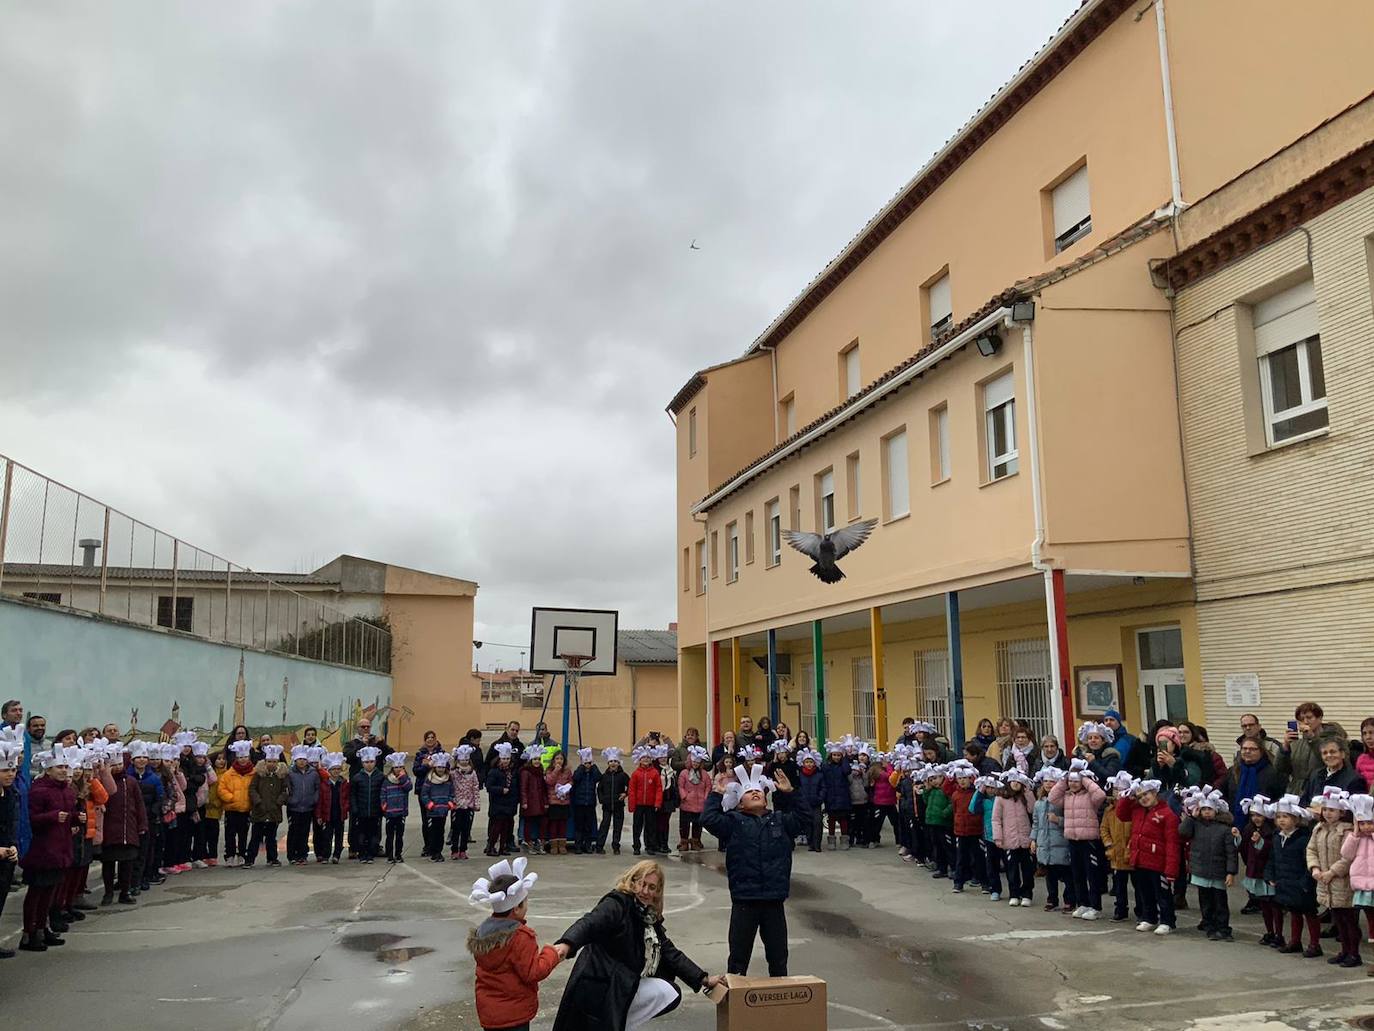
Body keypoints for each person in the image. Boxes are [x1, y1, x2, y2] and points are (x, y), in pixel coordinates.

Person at [553, 861, 722, 1031]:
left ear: (657, 892)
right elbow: (590, 922)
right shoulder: (617, 903)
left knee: (670, 992)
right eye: (641, 884)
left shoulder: (648, 916)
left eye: (651, 887)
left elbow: (669, 952)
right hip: (599, 984)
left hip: (623, 983)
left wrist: (704, 979)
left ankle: (622, 1021)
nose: (645, 891)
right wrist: (567, 944)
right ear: (632, 882)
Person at [702, 763, 809, 977]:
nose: (754, 794)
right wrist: (716, 795)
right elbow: (708, 820)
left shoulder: (779, 820)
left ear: (766, 798)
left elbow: (805, 819)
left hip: (773, 900)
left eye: (758, 792)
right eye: (748, 792)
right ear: (740, 803)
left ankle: (779, 1001)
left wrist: (791, 794)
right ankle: (735, 1003)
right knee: (738, 959)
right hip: (745, 900)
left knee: (778, 958)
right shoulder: (733, 822)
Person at [466, 857, 563, 1031]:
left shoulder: (483, 932)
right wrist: (552, 953)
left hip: (490, 1012)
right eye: (525, 901)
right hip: (514, 1014)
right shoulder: (520, 936)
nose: (527, 905)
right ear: (516, 908)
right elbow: (533, 972)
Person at [19, 745, 76, 952]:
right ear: (48, 769)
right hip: (41, 850)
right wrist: (52, 817)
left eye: (65, 766)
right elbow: (30, 819)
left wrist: (75, 819)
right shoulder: (39, 790)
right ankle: (29, 932)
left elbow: (68, 815)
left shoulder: (67, 791)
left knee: (50, 893)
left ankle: (43, 928)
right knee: (36, 892)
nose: (63, 770)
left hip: (59, 849)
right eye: (59, 767)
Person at [1116, 778, 1179, 934]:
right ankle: (1149, 918)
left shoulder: (1167, 814)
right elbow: (1121, 814)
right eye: (1140, 796)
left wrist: (1171, 869)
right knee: (1145, 892)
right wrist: (1128, 797)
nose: (1143, 798)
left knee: (1162, 894)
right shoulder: (1137, 810)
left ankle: (1167, 921)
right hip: (1140, 860)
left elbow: (1173, 843)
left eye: (1146, 794)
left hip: (1159, 862)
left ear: (1155, 793)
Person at [1309, 787, 1360, 967]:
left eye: (1332, 810)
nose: (1328, 813)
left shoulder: (1346, 831)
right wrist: (1315, 868)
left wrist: (1332, 872)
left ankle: (1354, 953)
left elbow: (1348, 857)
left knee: (1349, 920)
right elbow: (1311, 850)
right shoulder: (1319, 829)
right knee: (1338, 919)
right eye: (1325, 809)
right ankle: (1344, 951)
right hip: (1325, 880)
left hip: (1342, 882)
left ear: (1342, 812)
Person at [1050, 759, 1106, 920]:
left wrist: (1085, 779)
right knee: (1078, 874)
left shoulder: (1090, 796)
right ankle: (1083, 903)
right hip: (1073, 840)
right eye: (1071, 781)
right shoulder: (1066, 796)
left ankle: (1095, 906)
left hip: (1089, 840)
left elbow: (1100, 794)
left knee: (1092, 874)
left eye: (1076, 781)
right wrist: (1063, 779)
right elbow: (1052, 798)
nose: (1073, 784)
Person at [1179, 788, 1238, 941]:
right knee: (1205, 902)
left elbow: (1231, 852)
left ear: (1216, 811)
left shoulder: (1224, 829)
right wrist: (1191, 817)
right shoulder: (1196, 825)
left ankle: (1223, 928)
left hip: (1218, 872)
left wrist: (1230, 872)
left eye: (1209, 809)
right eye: (1203, 809)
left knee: (1220, 903)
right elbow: (1183, 832)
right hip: (1200, 871)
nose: (1206, 812)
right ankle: (1209, 925)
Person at [1267, 793, 1321, 957]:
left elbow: (1308, 861)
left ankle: (1314, 944)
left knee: (1309, 913)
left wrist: (1306, 881)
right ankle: (1295, 941)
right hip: (1285, 881)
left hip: (1301, 883)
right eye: (1279, 817)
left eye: (1286, 817)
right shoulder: (1277, 837)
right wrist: (1271, 875)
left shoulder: (1304, 838)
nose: (1282, 820)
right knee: (1293, 911)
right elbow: (1273, 858)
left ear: (1297, 819)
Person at [1277, 702, 1348, 796]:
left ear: (1319, 718)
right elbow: (1281, 768)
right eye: (1301, 719)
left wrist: (1313, 739)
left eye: (1309, 718)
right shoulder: (1297, 743)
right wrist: (1284, 748)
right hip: (1296, 791)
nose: (1306, 722)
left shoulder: (1334, 739)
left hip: (1321, 790)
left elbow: (1330, 761)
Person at [1338, 793, 1374, 973]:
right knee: (1371, 925)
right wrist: (1354, 834)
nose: (1366, 827)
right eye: (1362, 823)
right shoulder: (1357, 838)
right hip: (1363, 887)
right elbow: (1346, 854)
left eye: (1369, 823)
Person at [1239, 795, 1281, 945]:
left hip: (1267, 873)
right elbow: (1244, 849)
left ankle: (1278, 933)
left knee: (1274, 906)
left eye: (1259, 815)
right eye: (1253, 815)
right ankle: (1270, 932)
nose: (1256, 818)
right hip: (1255, 871)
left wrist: (1260, 842)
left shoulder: (1272, 832)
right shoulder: (1248, 829)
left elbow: (1270, 852)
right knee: (1264, 906)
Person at [1031, 768, 1073, 911]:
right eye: (1046, 781)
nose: (1048, 784)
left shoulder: (1062, 801)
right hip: (1045, 844)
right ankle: (1052, 899)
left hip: (1060, 843)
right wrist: (1033, 839)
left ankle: (1069, 899)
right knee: (1050, 875)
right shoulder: (1038, 803)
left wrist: (1058, 820)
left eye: (1052, 781)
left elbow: (1070, 820)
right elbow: (1036, 823)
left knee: (1066, 874)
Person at [993, 769, 1035, 906]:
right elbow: (996, 819)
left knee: (1027, 869)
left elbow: (1032, 810)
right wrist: (998, 837)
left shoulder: (1025, 796)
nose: (1016, 784)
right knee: (1012, 869)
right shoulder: (1001, 798)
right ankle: (1014, 893)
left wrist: (1028, 791)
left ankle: (1027, 893)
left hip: (1025, 839)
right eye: (1013, 781)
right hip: (1009, 839)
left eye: (1019, 781)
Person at [1099, 774, 1135, 922]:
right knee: (1119, 885)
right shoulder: (1109, 810)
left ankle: (1142, 910)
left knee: (1138, 885)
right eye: (1116, 790)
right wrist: (1108, 844)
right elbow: (1104, 829)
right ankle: (1120, 910)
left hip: (1131, 853)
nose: (1118, 793)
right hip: (1116, 853)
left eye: (1122, 790)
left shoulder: (1134, 809)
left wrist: (1131, 845)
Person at [1228, 737, 1284, 829]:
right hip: (1235, 824)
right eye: (1244, 748)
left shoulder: (1272, 772)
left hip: (1263, 825)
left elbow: (1279, 797)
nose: (1247, 751)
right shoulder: (1233, 771)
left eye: (1252, 749)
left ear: (1261, 752)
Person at [0, 729, 23, 956]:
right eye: (5, 770)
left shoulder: (11, 794)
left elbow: (13, 823)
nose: (10, 774)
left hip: (6, 857)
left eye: (13, 769)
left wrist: (13, 845)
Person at [245, 744, 286, 868]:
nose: (271, 764)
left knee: (271, 838)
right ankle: (250, 859)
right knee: (255, 837)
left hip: (274, 811)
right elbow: (252, 789)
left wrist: (280, 801)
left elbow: (285, 790)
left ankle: (272, 858)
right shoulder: (259, 775)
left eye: (274, 761)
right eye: (269, 761)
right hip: (260, 811)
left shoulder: (281, 776)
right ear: (265, 761)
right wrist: (257, 801)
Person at [1299, 737, 1367, 806]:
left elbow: (1356, 808)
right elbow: (1304, 802)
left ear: (1343, 754)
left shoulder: (1355, 779)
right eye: (1325, 753)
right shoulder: (1315, 775)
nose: (1328, 755)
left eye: (1333, 752)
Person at [218, 740, 253, 866]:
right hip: (231, 809)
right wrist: (231, 798)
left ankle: (242, 854)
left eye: (245, 757)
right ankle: (230, 855)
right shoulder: (229, 774)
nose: (242, 760)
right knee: (230, 834)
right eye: (240, 757)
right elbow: (221, 789)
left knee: (243, 834)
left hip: (245, 809)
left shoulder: (253, 773)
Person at [418, 749, 455, 863]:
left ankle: (439, 851)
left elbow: (452, 793)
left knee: (441, 832)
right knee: (433, 832)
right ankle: (433, 851)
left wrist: (450, 802)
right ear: (435, 768)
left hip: (443, 811)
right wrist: (429, 804)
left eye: (443, 767)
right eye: (439, 767)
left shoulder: (448, 780)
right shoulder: (429, 780)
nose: (441, 769)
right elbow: (424, 794)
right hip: (433, 811)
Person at [285, 745, 320, 866]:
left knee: (304, 832)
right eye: (299, 759)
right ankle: (292, 855)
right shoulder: (290, 773)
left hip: (308, 807)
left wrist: (313, 800)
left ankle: (302, 855)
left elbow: (317, 788)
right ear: (295, 760)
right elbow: (287, 789)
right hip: (294, 808)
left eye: (304, 759)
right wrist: (290, 800)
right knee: (293, 831)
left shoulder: (313, 773)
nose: (302, 761)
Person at [350, 746, 385, 864]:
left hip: (375, 811)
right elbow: (353, 795)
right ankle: (362, 853)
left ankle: (370, 853)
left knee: (373, 834)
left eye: (371, 762)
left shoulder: (380, 777)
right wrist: (354, 808)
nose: (369, 764)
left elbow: (383, 793)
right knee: (361, 834)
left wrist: (382, 808)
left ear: (375, 762)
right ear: (362, 763)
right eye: (366, 762)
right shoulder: (357, 778)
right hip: (361, 812)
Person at [484, 743, 518, 857]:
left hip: (509, 803)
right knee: (497, 826)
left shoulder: (512, 772)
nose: (506, 761)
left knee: (506, 828)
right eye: (503, 758)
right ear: (499, 758)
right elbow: (489, 787)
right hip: (498, 804)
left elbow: (515, 787)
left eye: (508, 758)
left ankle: (502, 847)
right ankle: (491, 846)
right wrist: (500, 790)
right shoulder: (494, 771)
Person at [627, 746, 662, 857]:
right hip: (638, 805)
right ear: (640, 759)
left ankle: (650, 846)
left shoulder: (655, 773)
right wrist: (632, 805)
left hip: (650, 805)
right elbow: (631, 790)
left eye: (648, 757)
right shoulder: (636, 774)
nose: (646, 759)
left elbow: (658, 789)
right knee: (637, 826)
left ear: (651, 759)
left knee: (650, 827)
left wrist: (657, 803)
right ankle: (636, 846)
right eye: (643, 757)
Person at [315, 753, 349, 864]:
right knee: (327, 836)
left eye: (338, 769)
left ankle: (337, 855)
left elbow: (347, 798)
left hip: (339, 814)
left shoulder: (344, 783)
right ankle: (326, 855)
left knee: (339, 836)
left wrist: (346, 808)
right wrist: (319, 815)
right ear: (329, 770)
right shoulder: (324, 784)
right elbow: (320, 801)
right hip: (327, 815)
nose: (336, 771)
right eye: (333, 769)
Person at [450, 745, 482, 861]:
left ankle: (463, 850)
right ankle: (454, 850)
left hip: (468, 805)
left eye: (466, 760)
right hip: (457, 805)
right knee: (456, 828)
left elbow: (475, 787)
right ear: (458, 760)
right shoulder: (454, 773)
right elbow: (449, 775)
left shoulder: (472, 773)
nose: (464, 762)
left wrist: (477, 803)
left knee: (465, 829)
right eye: (462, 759)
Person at [676, 746, 710, 851]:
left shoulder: (704, 774)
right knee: (684, 824)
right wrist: (684, 796)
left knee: (697, 824)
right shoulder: (684, 773)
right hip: (686, 803)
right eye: (693, 762)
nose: (695, 764)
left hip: (699, 803)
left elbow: (708, 786)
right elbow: (680, 786)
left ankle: (696, 840)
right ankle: (684, 841)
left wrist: (705, 797)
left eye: (697, 762)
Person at [596, 747, 629, 856]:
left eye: (615, 761)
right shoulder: (604, 776)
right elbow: (599, 788)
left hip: (618, 804)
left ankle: (616, 846)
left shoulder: (623, 776)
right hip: (607, 805)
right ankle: (599, 845)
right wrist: (602, 799)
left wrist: (625, 793)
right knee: (604, 825)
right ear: (608, 763)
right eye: (611, 761)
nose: (613, 763)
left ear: (619, 763)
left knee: (617, 826)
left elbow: (631, 786)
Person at [380, 751, 412, 863]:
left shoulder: (405, 779)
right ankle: (390, 855)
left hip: (401, 812)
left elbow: (408, 788)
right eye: (396, 767)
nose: (398, 769)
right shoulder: (387, 780)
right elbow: (383, 794)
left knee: (399, 836)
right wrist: (384, 805)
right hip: (390, 812)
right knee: (389, 836)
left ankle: (398, 854)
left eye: (400, 767)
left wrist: (403, 778)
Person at [570, 747, 601, 855]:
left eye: (589, 763)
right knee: (579, 826)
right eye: (585, 763)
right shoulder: (579, 772)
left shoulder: (593, 773)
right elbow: (576, 778)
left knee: (588, 826)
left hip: (590, 803)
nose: (588, 765)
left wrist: (594, 768)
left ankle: (587, 845)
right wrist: (581, 768)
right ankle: (578, 845)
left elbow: (599, 778)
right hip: (579, 803)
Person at [519, 748, 548, 855]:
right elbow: (523, 788)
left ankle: (540, 843)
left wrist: (545, 802)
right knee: (528, 823)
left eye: (539, 759)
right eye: (535, 759)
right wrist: (524, 802)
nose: (537, 761)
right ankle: (529, 843)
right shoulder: (525, 772)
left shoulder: (541, 771)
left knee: (543, 822)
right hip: (530, 802)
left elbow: (544, 788)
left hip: (539, 801)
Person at [544, 752, 573, 855]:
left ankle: (562, 845)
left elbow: (571, 781)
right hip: (553, 802)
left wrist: (567, 786)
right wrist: (556, 770)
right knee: (554, 824)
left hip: (564, 801)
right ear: (553, 761)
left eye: (561, 759)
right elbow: (549, 781)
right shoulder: (549, 771)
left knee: (562, 824)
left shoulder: (567, 771)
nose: (559, 761)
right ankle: (553, 845)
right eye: (557, 759)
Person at [412, 730, 445, 805]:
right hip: (422, 787)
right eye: (428, 737)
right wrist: (426, 766)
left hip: (438, 787)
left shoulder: (442, 753)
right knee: (424, 814)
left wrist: (437, 765)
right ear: (425, 740)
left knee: (437, 812)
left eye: (432, 737)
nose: (430, 739)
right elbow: (416, 771)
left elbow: (447, 769)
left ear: (435, 739)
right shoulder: (419, 754)